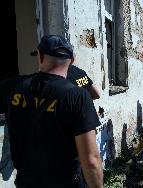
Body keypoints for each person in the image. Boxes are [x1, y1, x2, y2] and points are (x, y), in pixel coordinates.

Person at [0, 35, 103, 188]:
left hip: (26, 182)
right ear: (72, 61)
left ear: (40, 56)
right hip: (65, 182)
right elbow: (91, 160)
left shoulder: (11, 86)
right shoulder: (77, 96)